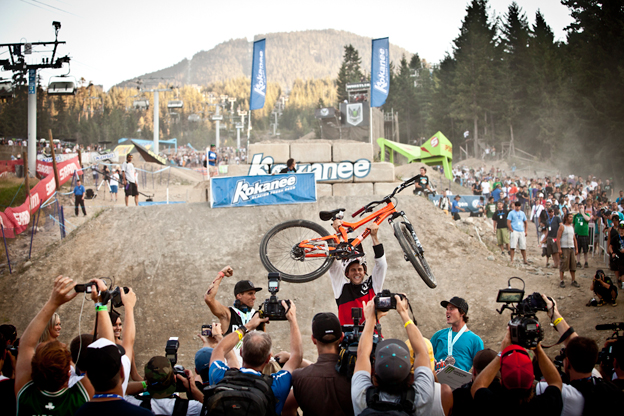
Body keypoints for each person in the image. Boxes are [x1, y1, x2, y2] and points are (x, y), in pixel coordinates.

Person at [14, 276, 94, 415]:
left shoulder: (26, 396)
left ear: (33, 371)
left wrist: (53, 302)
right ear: (69, 375)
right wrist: (100, 303)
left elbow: (26, 345)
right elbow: (104, 356)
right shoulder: (79, 399)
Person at [207, 300, 302, 415]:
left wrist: (248, 326)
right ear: (268, 359)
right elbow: (296, 356)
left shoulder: (220, 375)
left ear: (241, 352)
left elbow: (220, 349)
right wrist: (292, 319)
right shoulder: (276, 385)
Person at [351, 297, 435, 415]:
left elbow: (362, 353)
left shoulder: (362, 397)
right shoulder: (422, 397)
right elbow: (422, 352)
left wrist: (371, 319)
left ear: (375, 377)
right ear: (410, 377)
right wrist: (404, 314)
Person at [470, 329, 563, 416]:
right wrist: (538, 349)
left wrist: (501, 354)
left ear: (501, 382)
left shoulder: (492, 406)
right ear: (533, 382)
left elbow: (477, 386)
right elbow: (556, 382)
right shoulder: (545, 406)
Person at [282, 312, 353, 416]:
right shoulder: (356, 375)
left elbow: (286, 408)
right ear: (342, 337)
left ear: (313, 339)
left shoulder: (300, 377)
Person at [329, 221, 387, 325]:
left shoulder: (373, 286)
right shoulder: (342, 288)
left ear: (365, 271)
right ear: (347, 274)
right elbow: (333, 266)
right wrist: (337, 235)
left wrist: (374, 237)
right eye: (353, 270)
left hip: (371, 336)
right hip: (348, 339)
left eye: (360, 269)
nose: (357, 272)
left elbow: (381, 265)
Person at [204, 265, 263, 361]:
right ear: (239, 295)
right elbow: (209, 298)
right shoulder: (228, 314)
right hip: (231, 369)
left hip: (251, 370)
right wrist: (221, 274)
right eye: (250, 293)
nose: (254, 297)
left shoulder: (256, 316)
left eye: (254, 294)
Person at [124, 356, 204, 415]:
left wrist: (147, 383)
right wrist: (192, 388)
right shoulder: (192, 408)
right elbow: (211, 409)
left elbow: (122, 391)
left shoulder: (134, 405)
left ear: (146, 380)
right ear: (174, 379)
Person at [430, 297, 484, 372]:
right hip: (437, 382)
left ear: (462, 313)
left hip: (460, 383)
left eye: (451, 309)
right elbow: (427, 358)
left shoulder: (475, 340)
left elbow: (480, 369)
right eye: (447, 309)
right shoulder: (438, 335)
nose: (447, 312)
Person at [557, 212, 579, 288]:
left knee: (573, 265)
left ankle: (573, 280)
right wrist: (559, 249)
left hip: (571, 248)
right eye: (570, 217)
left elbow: (574, 239)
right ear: (566, 218)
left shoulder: (572, 227)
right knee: (563, 264)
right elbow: (558, 238)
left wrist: (576, 249)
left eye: (572, 217)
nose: (571, 219)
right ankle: (561, 280)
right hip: (564, 248)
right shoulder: (562, 227)